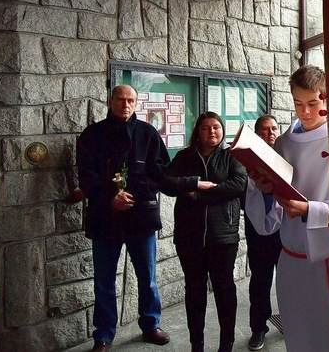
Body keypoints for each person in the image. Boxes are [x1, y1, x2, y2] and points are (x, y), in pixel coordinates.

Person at [244, 65, 329, 351]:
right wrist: (265, 191)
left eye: (313, 103)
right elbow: (269, 219)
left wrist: (310, 209)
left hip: (327, 257)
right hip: (289, 258)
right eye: (299, 104)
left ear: (327, 100)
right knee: (299, 336)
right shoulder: (283, 143)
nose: (306, 112)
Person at [77, 85, 171, 352]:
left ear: (136, 103)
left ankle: (151, 325)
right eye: (121, 99)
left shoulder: (148, 133)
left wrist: (137, 193)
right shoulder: (92, 135)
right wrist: (110, 197)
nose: (125, 104)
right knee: (104, 280)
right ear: (111, 101)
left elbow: (160, 171)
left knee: (148, 277)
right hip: (105, 217)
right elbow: (86, 175)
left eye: (130, 100)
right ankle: (103, 334)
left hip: (141, 217)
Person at [160, 112, 248, 352]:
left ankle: (226, 344)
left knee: (224, 290)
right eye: (206, 128)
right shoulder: (184, 157)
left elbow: (239, 184)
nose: (212, 132)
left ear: (222, 131)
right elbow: (165, 182)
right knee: (195, 291)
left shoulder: (231, 157)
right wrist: (192, 182)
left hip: (223, 237)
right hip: (189, 238)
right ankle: (196, 344)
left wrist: (198, 193)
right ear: (197, 132)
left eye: (216, 128)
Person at [244, 114, 283, 351]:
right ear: (258, 134)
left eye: (274, 129)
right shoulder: (246, 160)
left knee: (288, 279)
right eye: (265, 130)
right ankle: (258, 328)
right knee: (260, 280)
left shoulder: (287, 156)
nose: (270, 133)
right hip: (257, 231)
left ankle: (291, 320)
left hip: (284, 229)